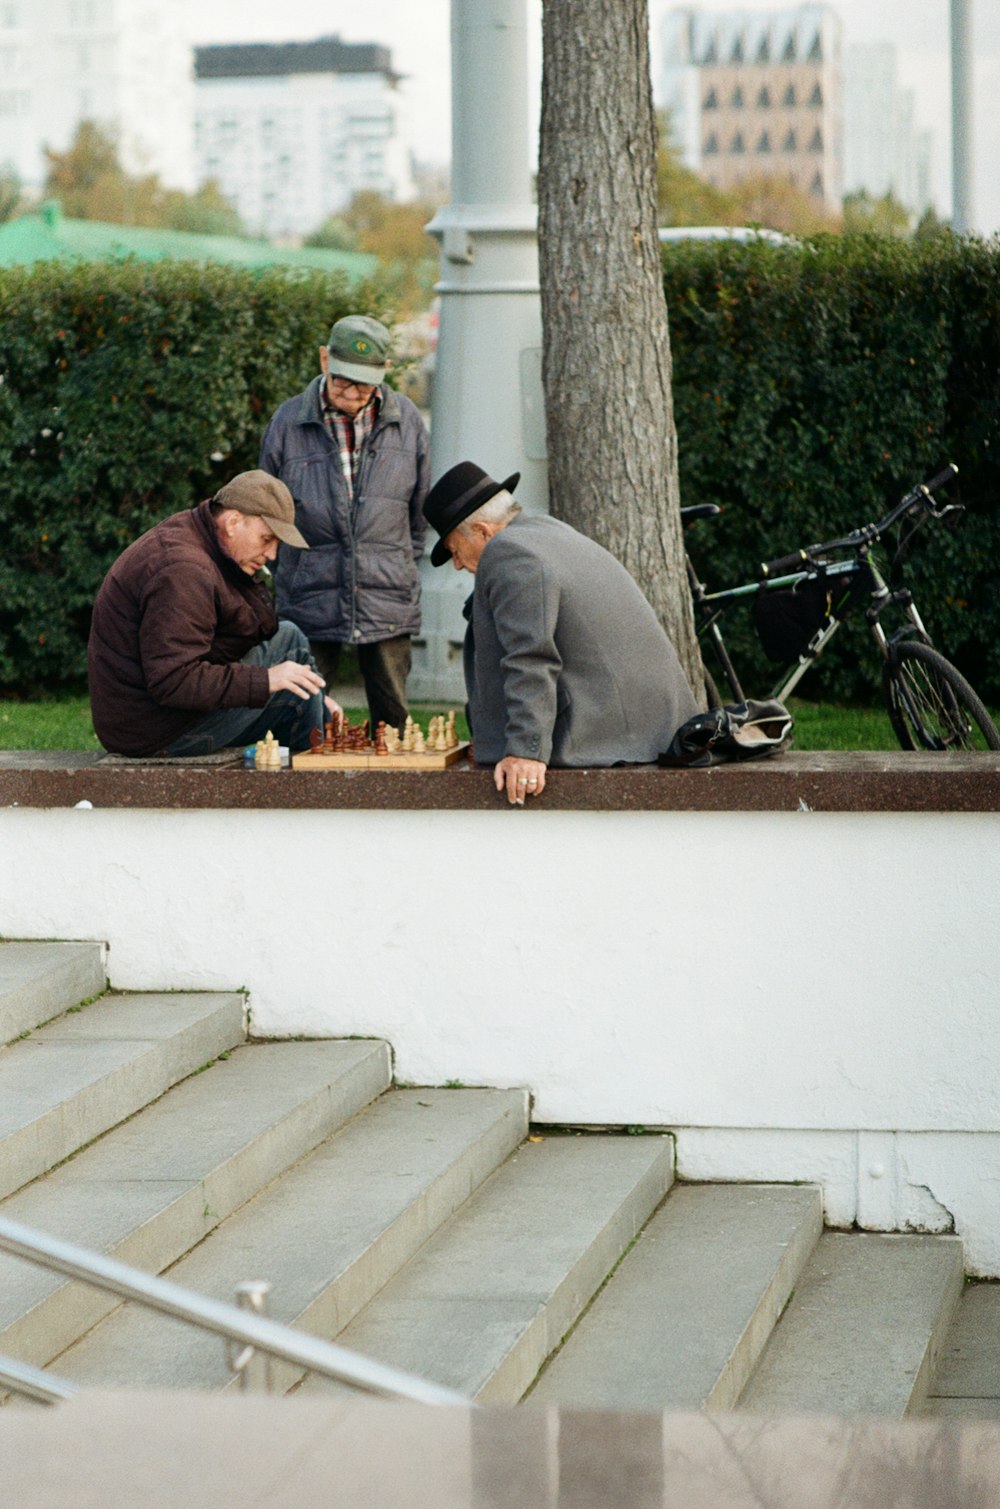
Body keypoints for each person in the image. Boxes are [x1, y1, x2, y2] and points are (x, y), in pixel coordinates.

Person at [423, 461, 699, 805]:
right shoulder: (547, 531)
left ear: (482, 531)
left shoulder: (508, 552)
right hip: (650, 725)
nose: (458, 565)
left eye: (453, 550)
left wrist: (526, 751)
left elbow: (530, 654)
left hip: (609, 734)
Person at [258, 313, 430, 733]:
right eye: (343, 380)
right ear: (323, 360)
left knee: (395, 723)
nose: (353, 393)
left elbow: (418, 513)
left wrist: (397, 563)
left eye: (364, 383)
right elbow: (269, 512)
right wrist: (293, 572)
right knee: (300, 720)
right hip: (307, 592)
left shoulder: (407, 421)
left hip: (387, 592)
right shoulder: (287, 421)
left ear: (384, 373)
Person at [88, 470, 338, 758]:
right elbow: (174, 681)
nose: (271, 555)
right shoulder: (183, 570)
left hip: (163, 717)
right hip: (155, 731)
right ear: (233, 522)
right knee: (289, 649)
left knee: (290, 640)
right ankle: (317, 776)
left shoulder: (203, 537)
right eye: (266, 539)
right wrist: (266, 679)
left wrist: (318, 697)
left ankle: (318, 745)